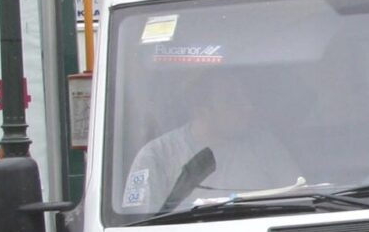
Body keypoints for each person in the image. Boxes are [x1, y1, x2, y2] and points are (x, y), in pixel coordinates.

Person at [120, 68, 298, 214]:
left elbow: (296, 195)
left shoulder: (264, 145)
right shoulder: (156, 156)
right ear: (201, 111)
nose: (248, 107)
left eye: (245, 97)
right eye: (232, 100)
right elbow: (141, 225)